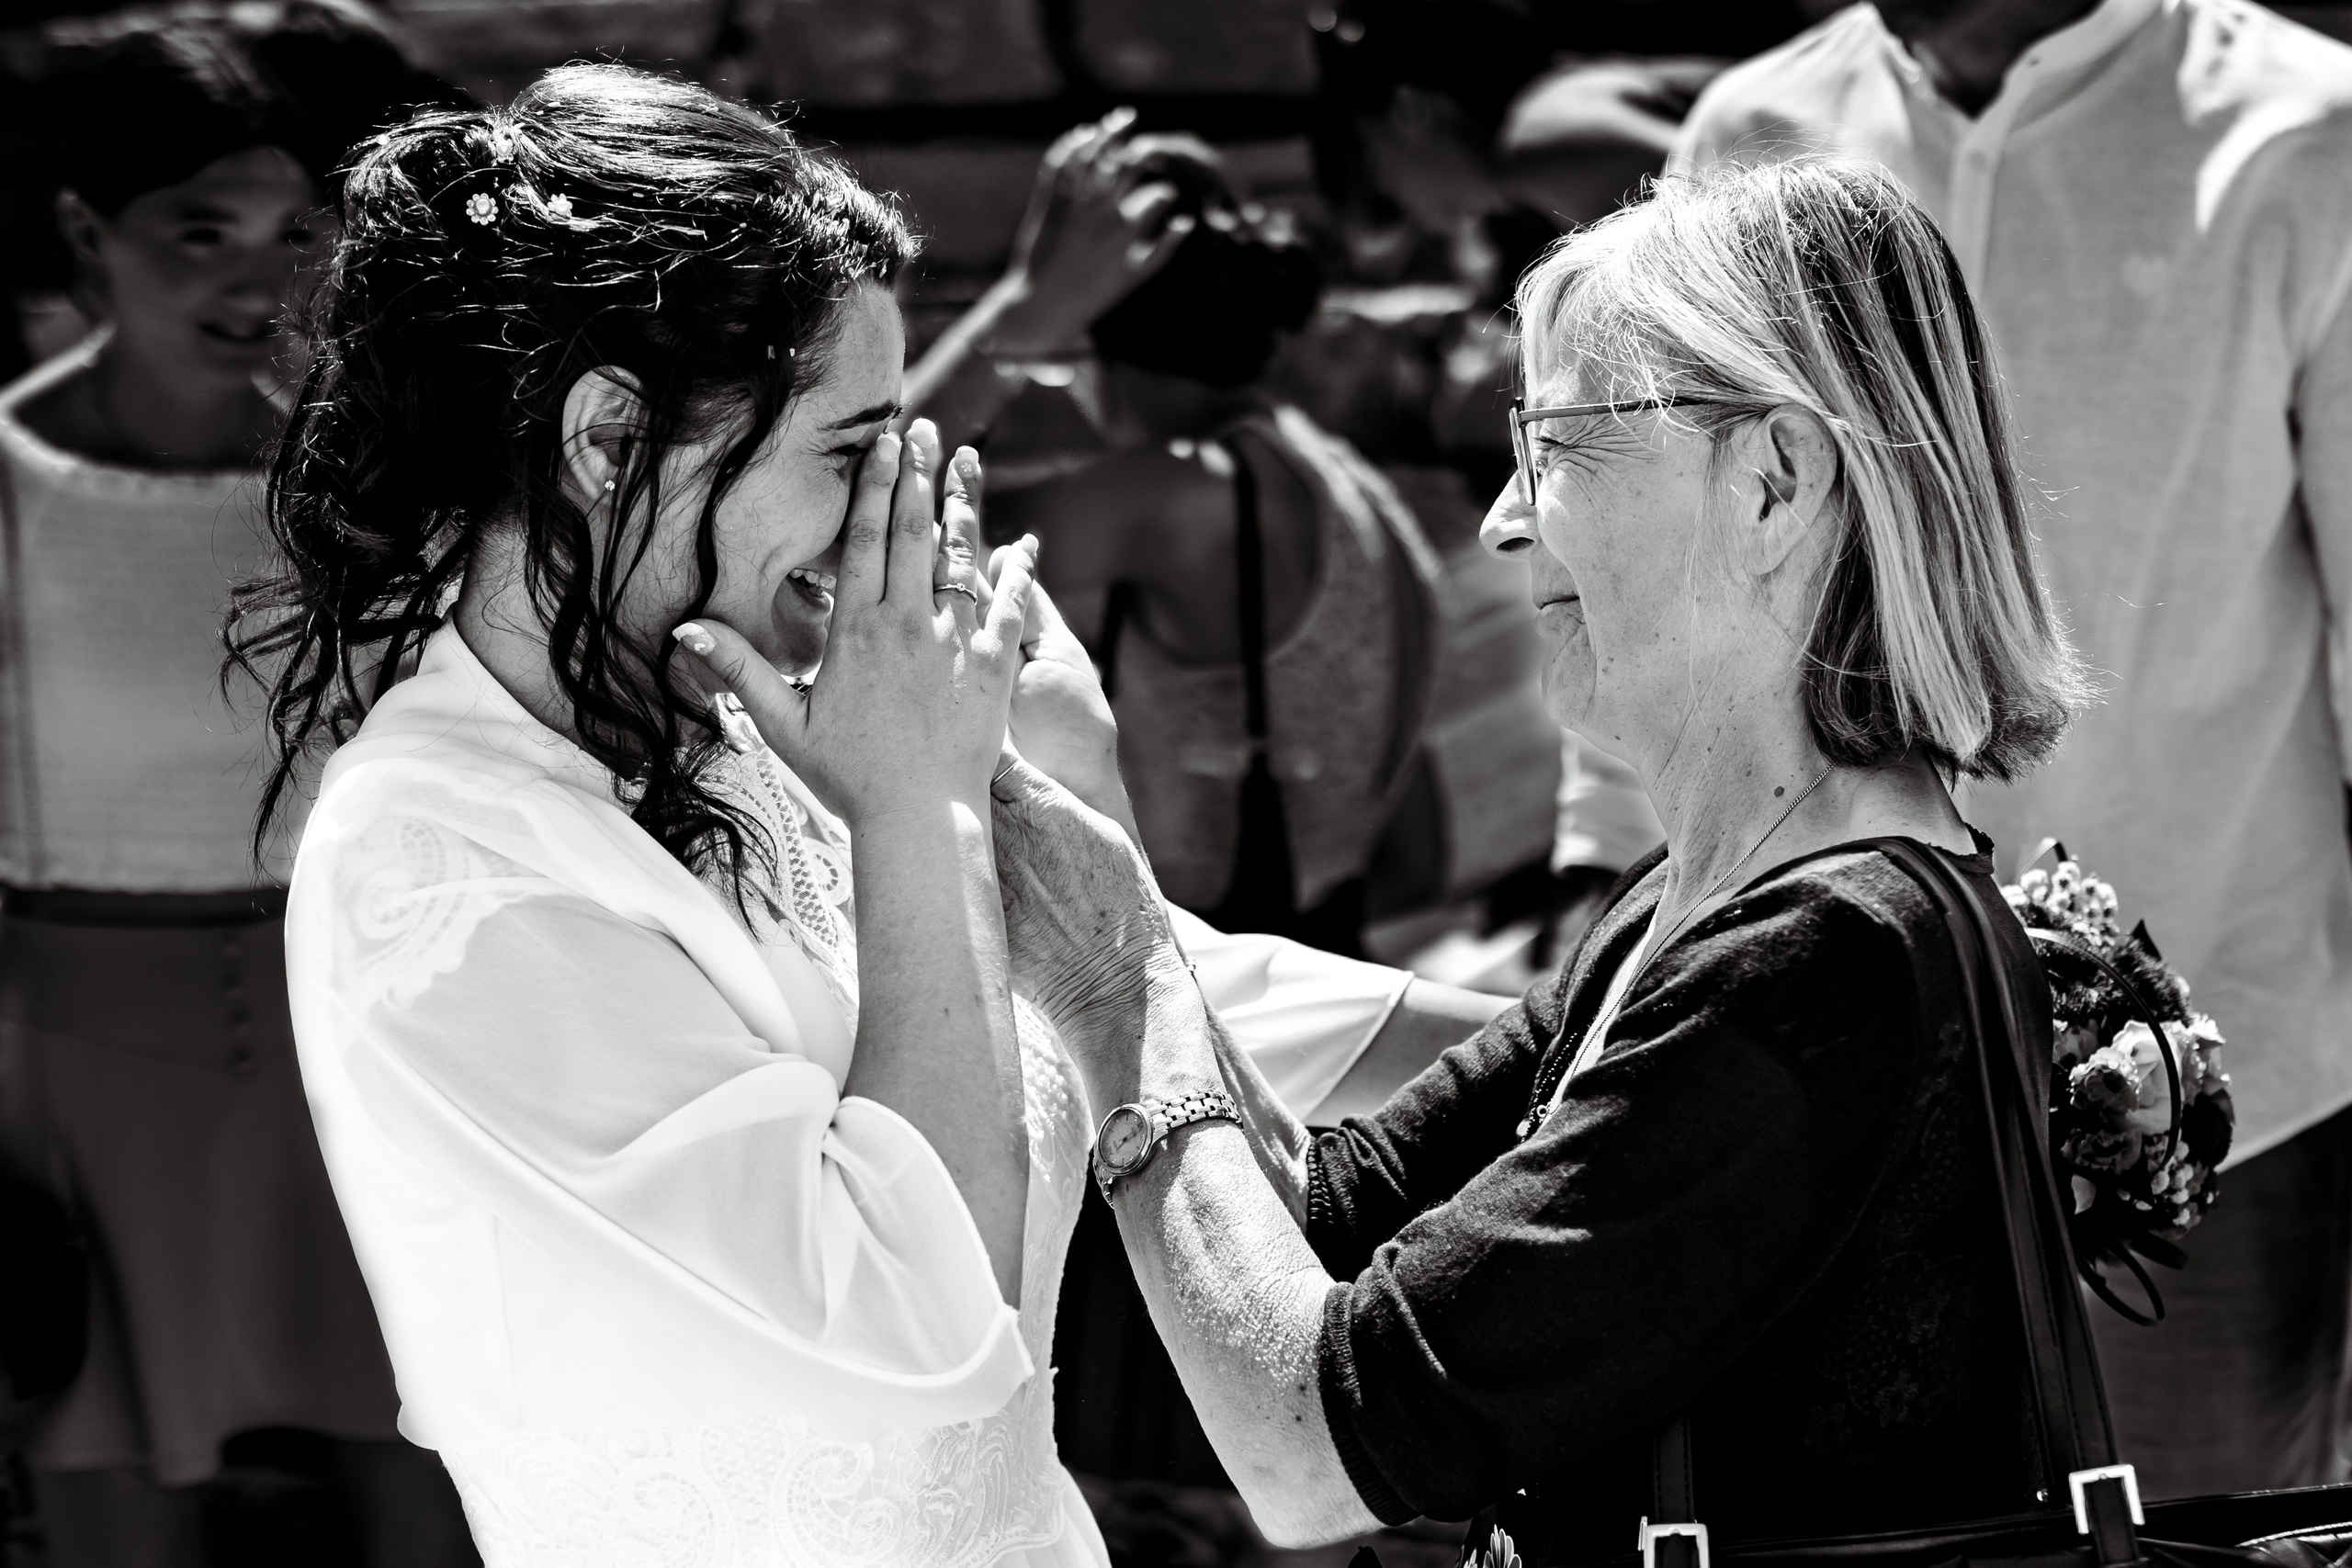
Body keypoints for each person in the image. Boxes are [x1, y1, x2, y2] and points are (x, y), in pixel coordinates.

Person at [242, 64, 1501, 1568]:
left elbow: (1103, 991)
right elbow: (919, 1317)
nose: (878, 516)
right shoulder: (444, 873)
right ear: (607, 440)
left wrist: (1588, 1029)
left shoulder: (717, 717)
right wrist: (926, 805)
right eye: (846, 453)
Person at [979, 157, 2092, 1558]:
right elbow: (1316, 1224)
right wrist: (1095, 809)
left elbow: (1316, 1450)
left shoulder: (1828, 950)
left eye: (1557, 444)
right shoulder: (1703, 902)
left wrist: (1103, 978)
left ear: (1774, 483)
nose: (1506, 514)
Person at [1584, 0, 2352, 1495]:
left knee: (2205, 1537)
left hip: (2221, 1097)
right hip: (1789, 1068)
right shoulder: (1751, 128)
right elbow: (1647, 551)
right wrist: (1606, 905)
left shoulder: (2313, 133)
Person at [0, 12, 469, 1567]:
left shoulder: (375, 494)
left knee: (440, 1478)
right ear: (85, 232)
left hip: (368, 1050)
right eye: (199, 232)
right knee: (110, 1503)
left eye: (292, 234)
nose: (255, 279)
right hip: (65, 1079)